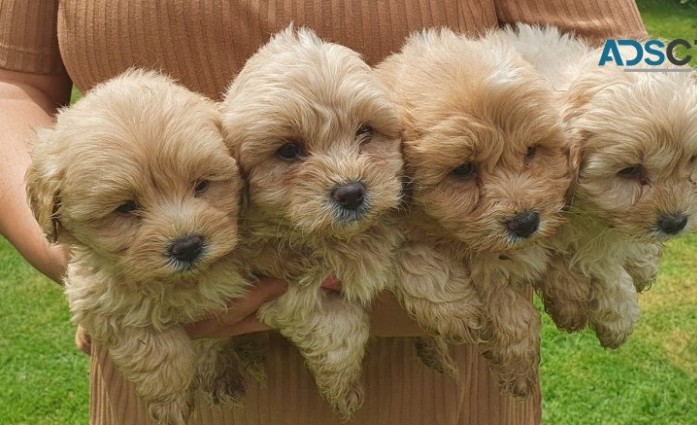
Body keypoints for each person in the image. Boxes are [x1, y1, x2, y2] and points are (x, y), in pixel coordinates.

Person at [0, 1, 646, 424]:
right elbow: (12, 80)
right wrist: (91, 263)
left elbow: (633, 57)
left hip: (440, 370)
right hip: (165, 367)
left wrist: (663, 78)